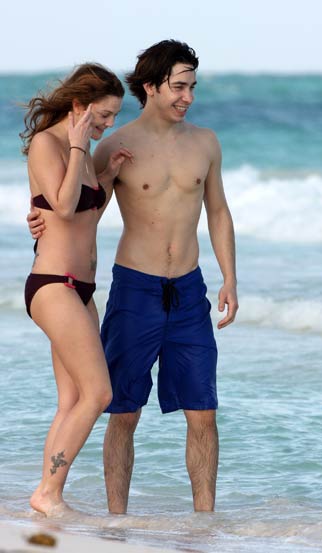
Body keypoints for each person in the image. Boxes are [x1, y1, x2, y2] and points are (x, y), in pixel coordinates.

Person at [28, 40, 238, 514]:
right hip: (134, 288)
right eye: (179, 86)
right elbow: (78, 210)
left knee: (203, 411)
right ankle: (116, 524)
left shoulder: (206, 142)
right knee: (121, 410)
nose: (188, 96)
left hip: (189, 290)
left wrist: (230, 276)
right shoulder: (114, 144)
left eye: (192, 87)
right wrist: (38, 216)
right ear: (151, 87)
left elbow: (219, 211)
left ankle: (204, 524)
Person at [22, 63, 132, 516]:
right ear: (79, 106)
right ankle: (48, 494)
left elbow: (86, 216)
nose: (109, 124)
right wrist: (74, 145)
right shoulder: (48, 144)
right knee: (98, 394)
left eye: (114, 116)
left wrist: (106, 178)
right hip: (53, 285)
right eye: (103, 115)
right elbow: (64, 207)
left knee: (71, 400)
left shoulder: (82, 150)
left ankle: (46, 496)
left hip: (82, 289)